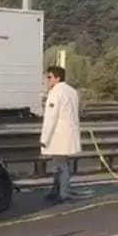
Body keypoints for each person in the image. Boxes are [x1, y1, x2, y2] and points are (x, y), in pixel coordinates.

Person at [39, 65, 81, 203]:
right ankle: (57, 190)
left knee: (60, 165)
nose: (48, 80)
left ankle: (63, 193)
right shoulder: (72, 91)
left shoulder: (55, 93)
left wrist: (44, 138)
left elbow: (51, 118)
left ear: (58, 77)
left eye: (50, 77)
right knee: (60, 164)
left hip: (58, 135)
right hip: (69, 133)